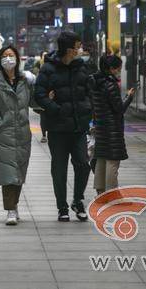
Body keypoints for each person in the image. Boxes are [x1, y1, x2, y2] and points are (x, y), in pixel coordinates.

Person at [34, 31, 94, 222]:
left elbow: (89, 92)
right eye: (77, 46)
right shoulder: (48, 68)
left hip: (78, 127)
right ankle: (62, 207)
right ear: (69, 49)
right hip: (57, 128)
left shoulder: (81, 67)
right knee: (59, 169)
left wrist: (88, 110)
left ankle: (78, 200)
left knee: (83, 165)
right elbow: (39, 94)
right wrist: (55, 109)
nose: (80, 49)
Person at [0, 45, 36, 225]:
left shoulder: (25, 80)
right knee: (8, 172)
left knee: (19, 171)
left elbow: (33, 101)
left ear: (17, 58)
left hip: (22, 133)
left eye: (11, 55)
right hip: (3, 134)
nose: (8, 58)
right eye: (4, 56)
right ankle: (10, 209)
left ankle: (15, 204)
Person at [91, 55, 135, 195]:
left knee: (101, 158)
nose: (119, 71)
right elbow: (119, 109)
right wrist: (129, 97)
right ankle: (112, 194)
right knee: (112, 161)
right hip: (112, 129)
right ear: (111, 68)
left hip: (100, 126)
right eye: (118, 69)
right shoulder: (111, 84)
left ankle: (100, 191)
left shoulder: (95, 82)